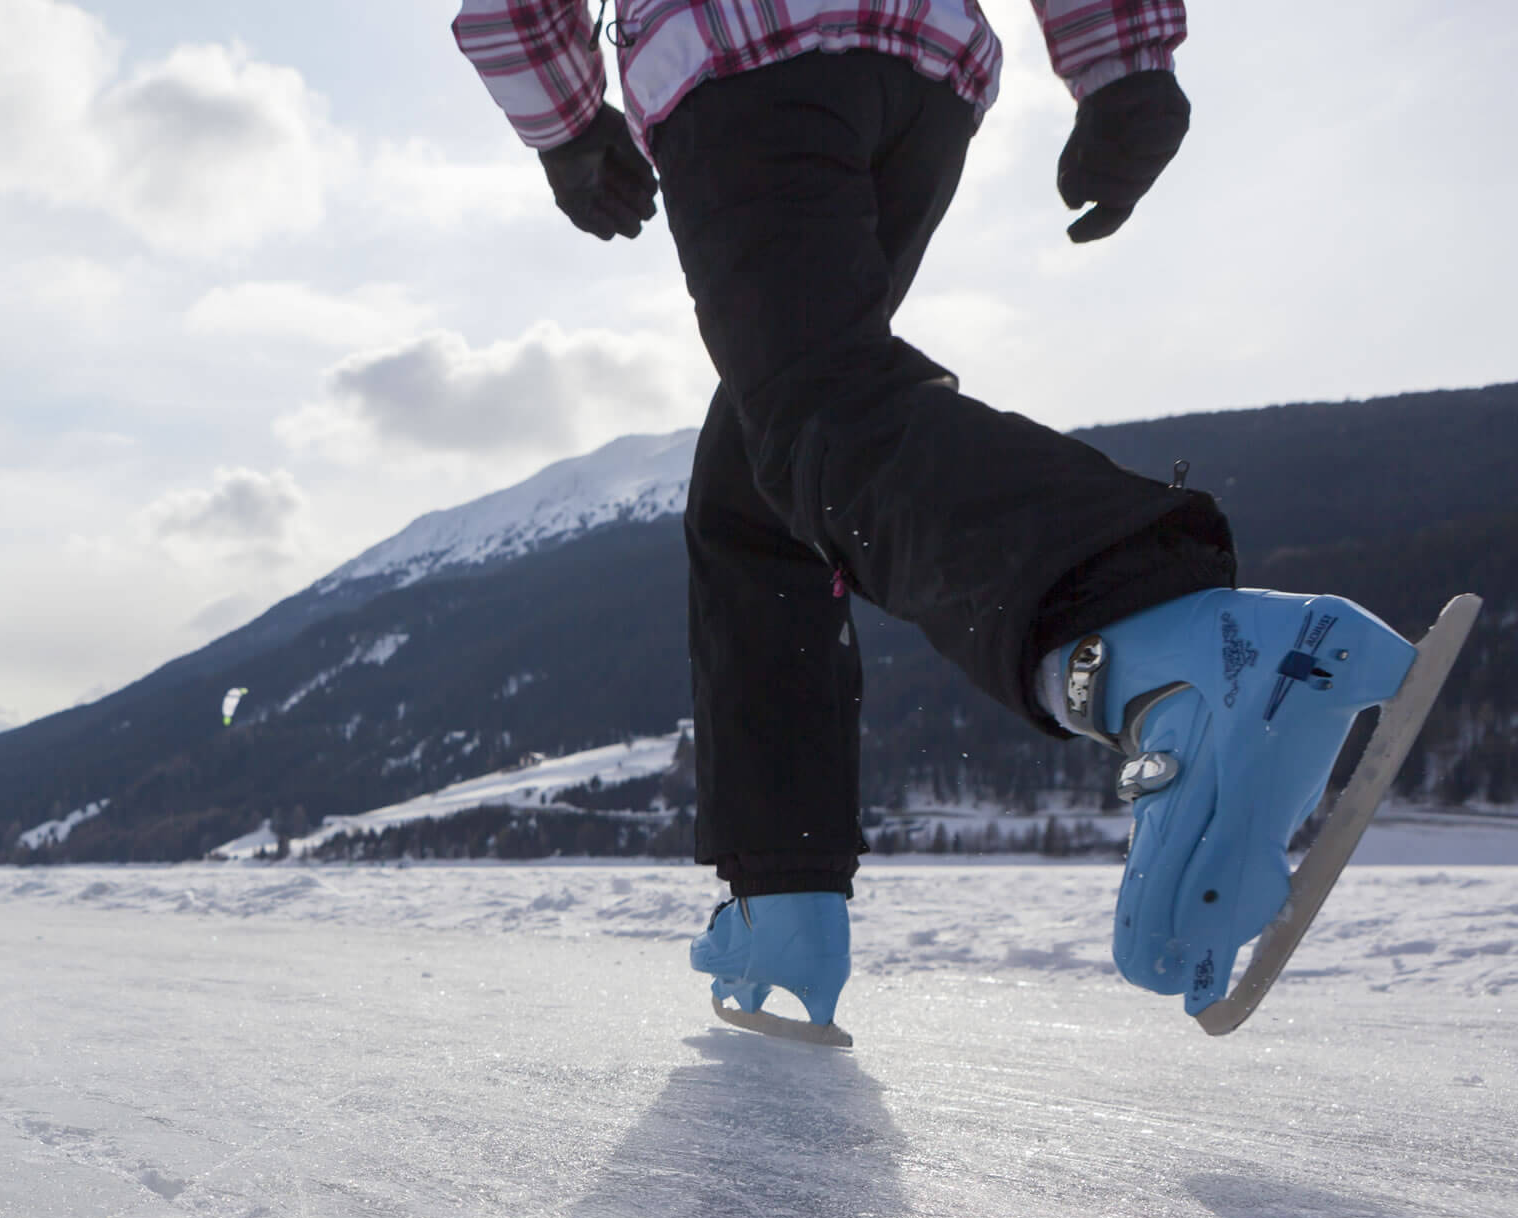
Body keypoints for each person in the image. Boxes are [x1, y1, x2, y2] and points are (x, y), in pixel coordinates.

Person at [453, 1, 1423, 1030]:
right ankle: (782, 902)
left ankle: (1161, 652)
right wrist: (1117, 59)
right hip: (921, 77)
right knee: (760, 494)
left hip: (739, 56)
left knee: (822, 415)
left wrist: (565, 126)